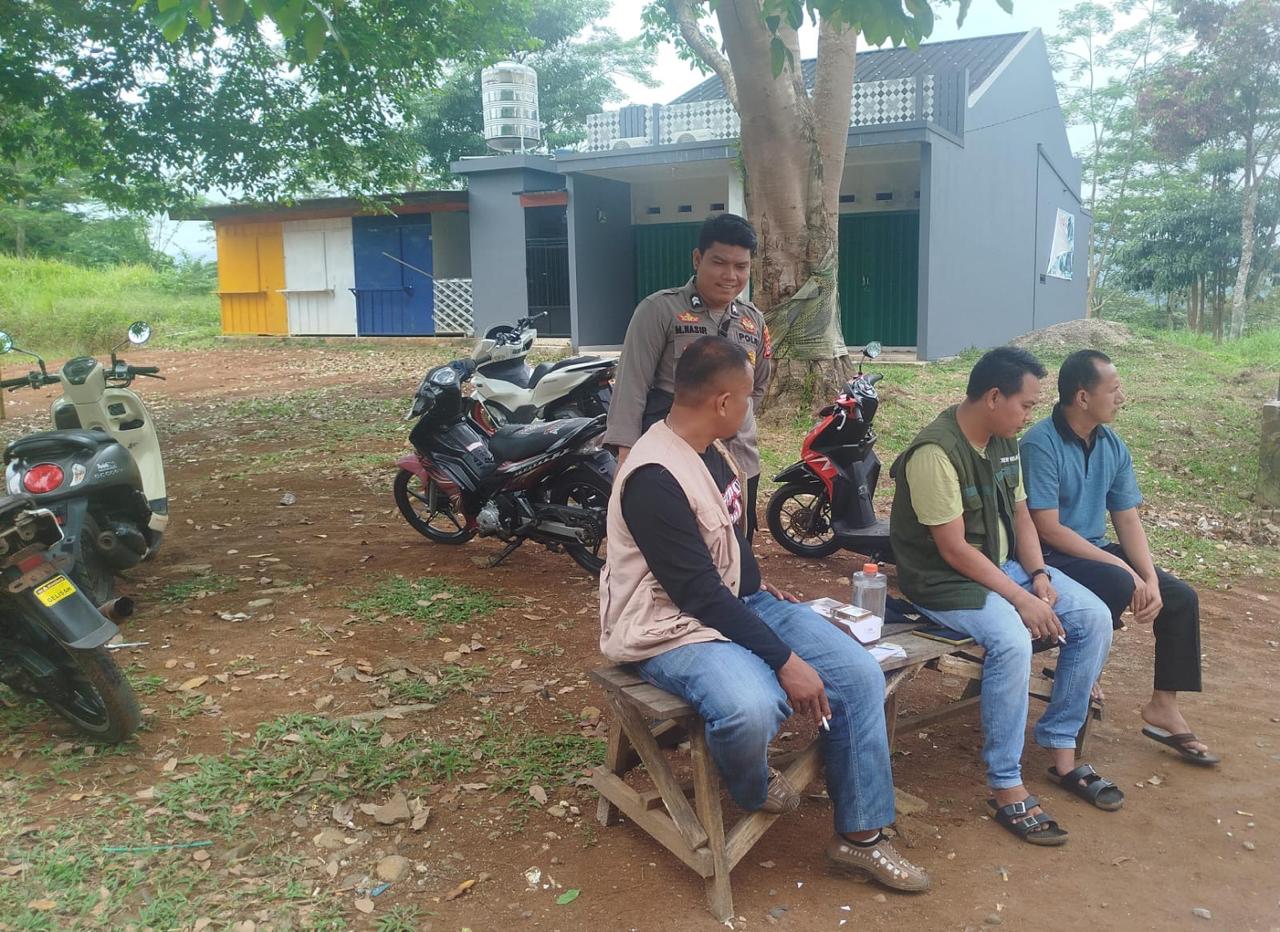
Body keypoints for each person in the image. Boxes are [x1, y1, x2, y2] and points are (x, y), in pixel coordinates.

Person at [600, 335, 929, 892]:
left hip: (736, 602)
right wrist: (785, 660)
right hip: (668, 626)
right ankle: (751, 787)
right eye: (749, 397)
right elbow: (697, 594)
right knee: (752, 707)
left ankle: (861, 837)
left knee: (859, 675)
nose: (751, 407)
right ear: (723, 402)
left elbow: (727, 538)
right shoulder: (654, 476)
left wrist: (753, 582)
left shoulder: (712, 449)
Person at [888, 347, 1116, 846]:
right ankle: (1006, 782)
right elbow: (952, 550)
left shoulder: (1004, 441)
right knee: (1012, 639)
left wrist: (1038, 575)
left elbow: (1022, 517)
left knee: (1094, 617)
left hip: (1003, 566)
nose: (1031, 415)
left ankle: (1061, 751)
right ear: (994, 397)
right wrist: (1021, 599)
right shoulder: (934, 454)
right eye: (1026, 404)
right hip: (943, 580)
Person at [1020, 350, 1219, 766]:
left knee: (1180, 597)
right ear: (1082, 397)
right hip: (1047, 554)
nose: (1122, 397)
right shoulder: (1040, 443)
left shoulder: (1112, 444)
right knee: (1117, 580)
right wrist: (1125, 569)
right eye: (1113, 390)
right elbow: (1047, 527)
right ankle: (1083, 669)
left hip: (1092, 547)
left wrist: (1149, 577)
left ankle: (1164, 704)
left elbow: (1127, 518)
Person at [603, 213, 771, 536]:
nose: (730, 276)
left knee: (737, 546)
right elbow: (631, 385)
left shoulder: (753, 321)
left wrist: (732, 418)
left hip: (739, 460)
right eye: (719, 263)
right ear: (697, 258)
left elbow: (758, 385)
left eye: (741, 266)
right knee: (683, 547)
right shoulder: (659, 311)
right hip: (677, 461)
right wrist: (626, 455)